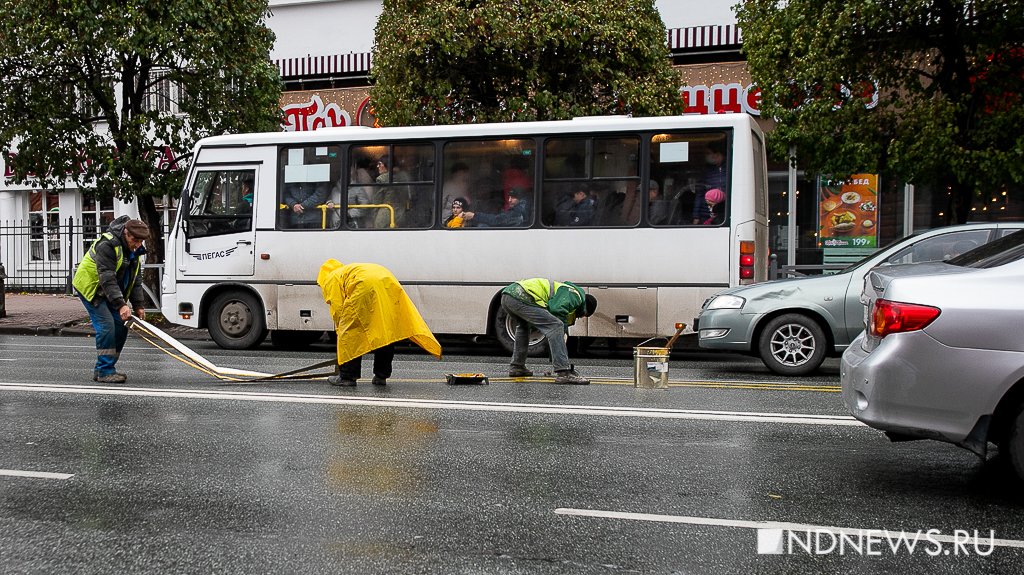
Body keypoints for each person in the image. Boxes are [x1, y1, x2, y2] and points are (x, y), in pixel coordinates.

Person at [317, 259, 442, 387]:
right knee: (384, 329)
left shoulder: (331, 278)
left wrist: (341, 331)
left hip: (363, 284)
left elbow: (338, 309)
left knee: (350, 333)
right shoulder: (347, 270)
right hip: (386, 280)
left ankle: (347, 376)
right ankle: (381, 375)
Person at [71, 216, 150, 383]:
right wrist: (121, 305)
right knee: (107, 326)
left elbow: (135, 279)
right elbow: (107, 278)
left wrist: (139, 305)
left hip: (109, 291)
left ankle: (104, 368)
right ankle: (104, 371)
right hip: (92, 288)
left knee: (122, 327)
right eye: (134, 240)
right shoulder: (107, 245)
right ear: (125, 233)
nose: (137, 245)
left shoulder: (134, 249)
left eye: (140, 241)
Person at [499, 278, 598, 385]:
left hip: (508, 295)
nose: (581, 317)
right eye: (584, 315)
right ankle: (564, 373)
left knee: (523, 327)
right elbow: (556, 312)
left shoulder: (566, 289)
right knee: (556, 325)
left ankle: (517, 367)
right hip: (521, 296)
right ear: (585, 307)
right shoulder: (575, 296)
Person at [693, 141, 727, 224]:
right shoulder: (706, 172)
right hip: (706, 214)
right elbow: (699, 194)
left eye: (709, 153)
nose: (707, 156)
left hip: (724, 213)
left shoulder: (730, 168)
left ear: (717, 153)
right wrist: (696, 216)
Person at [462, 187, 529, 227]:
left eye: (513, 197)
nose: (509, 200)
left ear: (520, 199)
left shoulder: (518, 212)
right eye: (509, 197)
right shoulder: (522, 209)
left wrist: (474, 215)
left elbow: (496, 220)